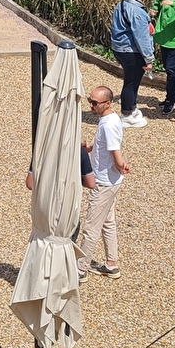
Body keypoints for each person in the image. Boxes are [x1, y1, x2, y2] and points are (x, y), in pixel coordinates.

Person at [77, 86, 130, 281]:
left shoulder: (108, 124)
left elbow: (116, 151)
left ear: (108, 103)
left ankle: (80, 271)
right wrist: (89, 149)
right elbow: (105, 146)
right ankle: (111, 264)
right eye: (90, 101)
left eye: (95, 102)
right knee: (108, 222)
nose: (91, 105)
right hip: (110, 181)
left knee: (91, 228)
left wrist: (121, 165)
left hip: (104, 183)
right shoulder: (109, 120)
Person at [109, 0, 153, 128]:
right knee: (131, 83)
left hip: (119, 48)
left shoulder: (121, 4)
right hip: (131, 51)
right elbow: (141, 37)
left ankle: (132, 108)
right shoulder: (137, 11)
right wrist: (148, 58)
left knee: (131, 80)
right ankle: (127, 114)